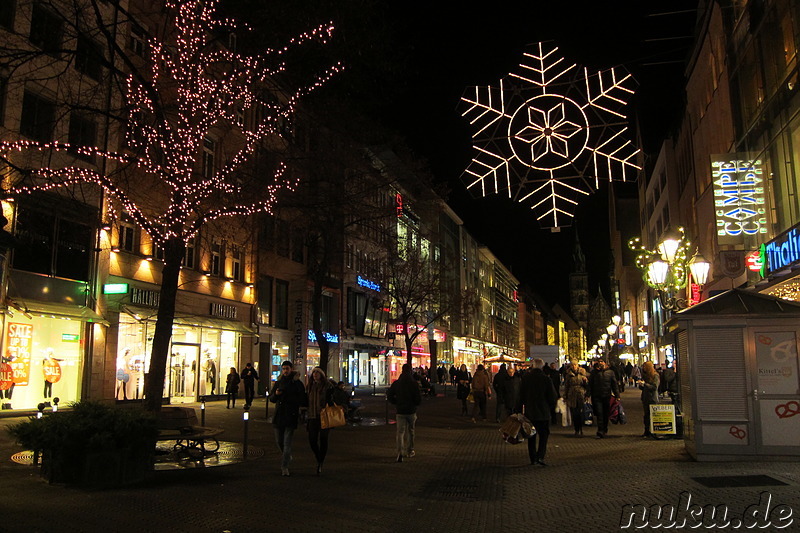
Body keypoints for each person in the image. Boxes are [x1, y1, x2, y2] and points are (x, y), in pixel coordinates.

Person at [268, 361, 307, 476]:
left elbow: (302, 399)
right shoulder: (279, 382)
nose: (285, 371)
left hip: (290, 415)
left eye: (287, 368)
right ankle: (287, 456)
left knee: (287, 443)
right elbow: (272, 398)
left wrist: (292, 400)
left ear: (291, 369)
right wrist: (276, 394)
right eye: (283, 368)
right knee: (279, 441)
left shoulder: (297, 383)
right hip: (279, 415)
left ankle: (284, 466)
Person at [518, 358, 557, 466]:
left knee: (531, 435)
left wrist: (518, 410)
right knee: (544, 435)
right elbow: (552, 397)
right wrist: (551, 408)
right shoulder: (546, 379)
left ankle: (533, 457)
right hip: (543, 412)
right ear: (542, 366)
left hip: (530, 412)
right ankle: (540, 456)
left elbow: (520, 396)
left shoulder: (526, 379)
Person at [387, 363, 422, 462]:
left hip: (400, 410)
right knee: (411, 431)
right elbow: (418, 398)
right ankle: (410, 450)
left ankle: (400, 452)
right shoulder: (414, 383)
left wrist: (396, 402)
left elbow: (389, 395)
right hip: (411, 410)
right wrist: (415, 404)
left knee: (400, 432)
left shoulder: (397, 383)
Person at [306, 367, 334, 475]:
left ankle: (320, 462)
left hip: (324, 416)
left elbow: (332, 399)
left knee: (323, 439)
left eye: (317, 372)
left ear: (321, 374)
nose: (315, 374)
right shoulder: (310, 386)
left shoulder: (328, 386)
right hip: (312, 416)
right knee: (312, 440)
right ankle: (319, 458)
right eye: (313, 373)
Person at [588, 359, 620, 438]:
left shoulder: (610, 373)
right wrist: (587, 394)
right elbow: (590, 384)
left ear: (605, 363)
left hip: (606, 396)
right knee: (599, 413)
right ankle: (600, 431)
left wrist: (617, 395)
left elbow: (614, 385)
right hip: (596, 396)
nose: (600, 363)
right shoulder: (594, 373)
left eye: (602, 361)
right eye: (599, 362)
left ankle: (604, 429)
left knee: (606, 413)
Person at [563, 358, 589, 437]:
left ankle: (580, 428)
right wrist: (565, 396)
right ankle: (576, 429)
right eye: (572, 365)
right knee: (574, 413)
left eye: (575, 365)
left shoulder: (582, 373)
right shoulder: (568, 375)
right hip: (572, 394)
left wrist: (585, 382)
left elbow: (587, 385)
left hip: (580, 394)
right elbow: (566, 386)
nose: (574, 366)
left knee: (581, 412)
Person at [638, 361, 660, 438]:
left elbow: (654, 387)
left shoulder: (655, 375)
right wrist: (641, 385)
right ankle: (647, 431)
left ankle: (654, 431)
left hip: (652, 398)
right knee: (646, 416)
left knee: (653, 416)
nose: (643, 368)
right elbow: (643, 388)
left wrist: (645, 384)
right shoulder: (645, 375)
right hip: (645, 398)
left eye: (644, 367)